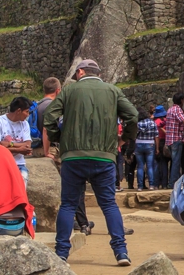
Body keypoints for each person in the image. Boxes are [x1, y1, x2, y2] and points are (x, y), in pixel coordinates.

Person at [45, 59, 137, 265]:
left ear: (80, 72)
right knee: (109, 204)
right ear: (99, 73)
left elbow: (49, 117)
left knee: (68, 205)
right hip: (103, 156)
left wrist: (59, 138)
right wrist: (123, 139)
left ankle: (61, 252)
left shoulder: (69, 91)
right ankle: (121, 252)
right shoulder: (112, 91)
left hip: (73, 157)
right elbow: (132, 115)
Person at [0, 97, 34, 186]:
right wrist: (19, 149)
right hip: (1, 164)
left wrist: (8, 144)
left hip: (19, 164)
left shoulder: (24, 124)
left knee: (21, 190)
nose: (28, 115)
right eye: (27, 111)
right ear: (19, 111)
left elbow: (28, 144)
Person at [165, 93, 184, 187]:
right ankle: (173, 183)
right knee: (176, 163)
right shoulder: (177, 109)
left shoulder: (170, 109)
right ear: (181, 100)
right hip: (176, 139)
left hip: (169, 139)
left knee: (174, 162)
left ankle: (173, 181)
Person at [35, 77, 61, 158]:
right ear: (58, 91)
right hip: (49, 149)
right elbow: (46, 129)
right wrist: (47, 152)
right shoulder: (52, 106)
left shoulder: (37, 105)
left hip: (36, 148)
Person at [133, 109, 157, 190]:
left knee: (140, 166)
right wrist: (157, 148)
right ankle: (151, 185)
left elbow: (133, 135)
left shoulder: (137, 124)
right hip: (150, 144)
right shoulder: (152, 123)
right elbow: (156, 135)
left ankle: (140, 186)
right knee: (150, 166)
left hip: (139, 144)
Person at [153, 105, 168, 189]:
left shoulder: (155, 122)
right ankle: (165, 184)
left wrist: (157, 148)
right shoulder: (167, 121)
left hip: (158, 142)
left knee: (157, 164)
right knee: (165, 164)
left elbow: (156, 136)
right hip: (167, 142)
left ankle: (156, 184)